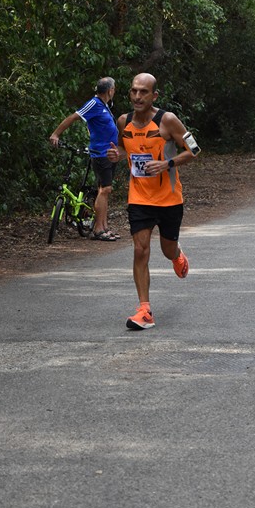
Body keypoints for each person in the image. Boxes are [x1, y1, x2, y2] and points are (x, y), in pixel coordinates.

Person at [107, 72, 199, 330]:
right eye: (134, 91)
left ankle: (177, 255)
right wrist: (117, 154)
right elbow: (124, 148)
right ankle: (144, 310)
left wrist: (166, 163)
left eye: (143, 92)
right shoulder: (123, 121)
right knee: (140, 249)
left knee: (167, 249)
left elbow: (195, 150)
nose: (137, 96)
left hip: (169, 199)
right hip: (139, 197)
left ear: (154, 95)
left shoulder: (167, 120)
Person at [49, 77, 120, 241]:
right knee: (105, 190)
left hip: (109, 153)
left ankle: (104, 227)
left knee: (104, 190)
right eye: (114, 89)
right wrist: (56, 134)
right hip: (101, 154)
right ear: (109, 90)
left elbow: (94, 125)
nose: (114, 91)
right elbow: (74, 117)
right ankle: (98, 230)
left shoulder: (104, 106)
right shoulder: (94, 103)